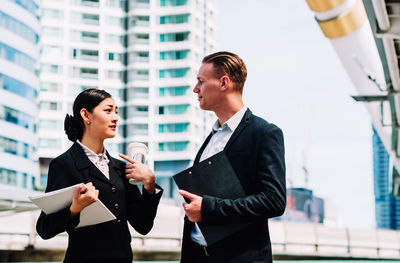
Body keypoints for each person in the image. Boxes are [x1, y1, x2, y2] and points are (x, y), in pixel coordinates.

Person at [179, 51, 286, 263]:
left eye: (201, 81)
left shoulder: (264, 133)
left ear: (223, 83)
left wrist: (208, 208)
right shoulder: (209, 139)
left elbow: (274, 200)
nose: (195, 89)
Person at [36, 89, 163, 263]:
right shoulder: (64, 164)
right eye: (108, 110)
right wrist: (75, 208)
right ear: (86, 115)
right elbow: (44, 229)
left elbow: (143, 226)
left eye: (116, 112)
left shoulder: (121, 168)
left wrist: (149, 185)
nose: (116, 117)